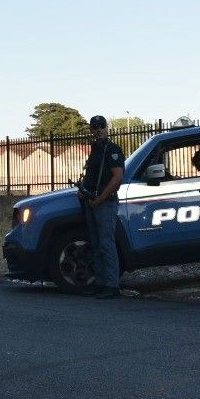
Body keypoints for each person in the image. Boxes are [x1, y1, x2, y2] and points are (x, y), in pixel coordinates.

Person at [78, 115, 125, 299]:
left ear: (107, 128)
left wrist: (100, 199)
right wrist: (83, 191)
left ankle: (112, 286)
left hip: (105, 203)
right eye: (95, 127)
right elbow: (91, 176)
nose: (98, 130)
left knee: (106, 244)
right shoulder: (95, 150)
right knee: (96, 244)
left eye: (101, 126)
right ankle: (100, 283)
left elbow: (117, 178)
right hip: (91, 201)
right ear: (91, 129)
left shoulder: (112, 150)